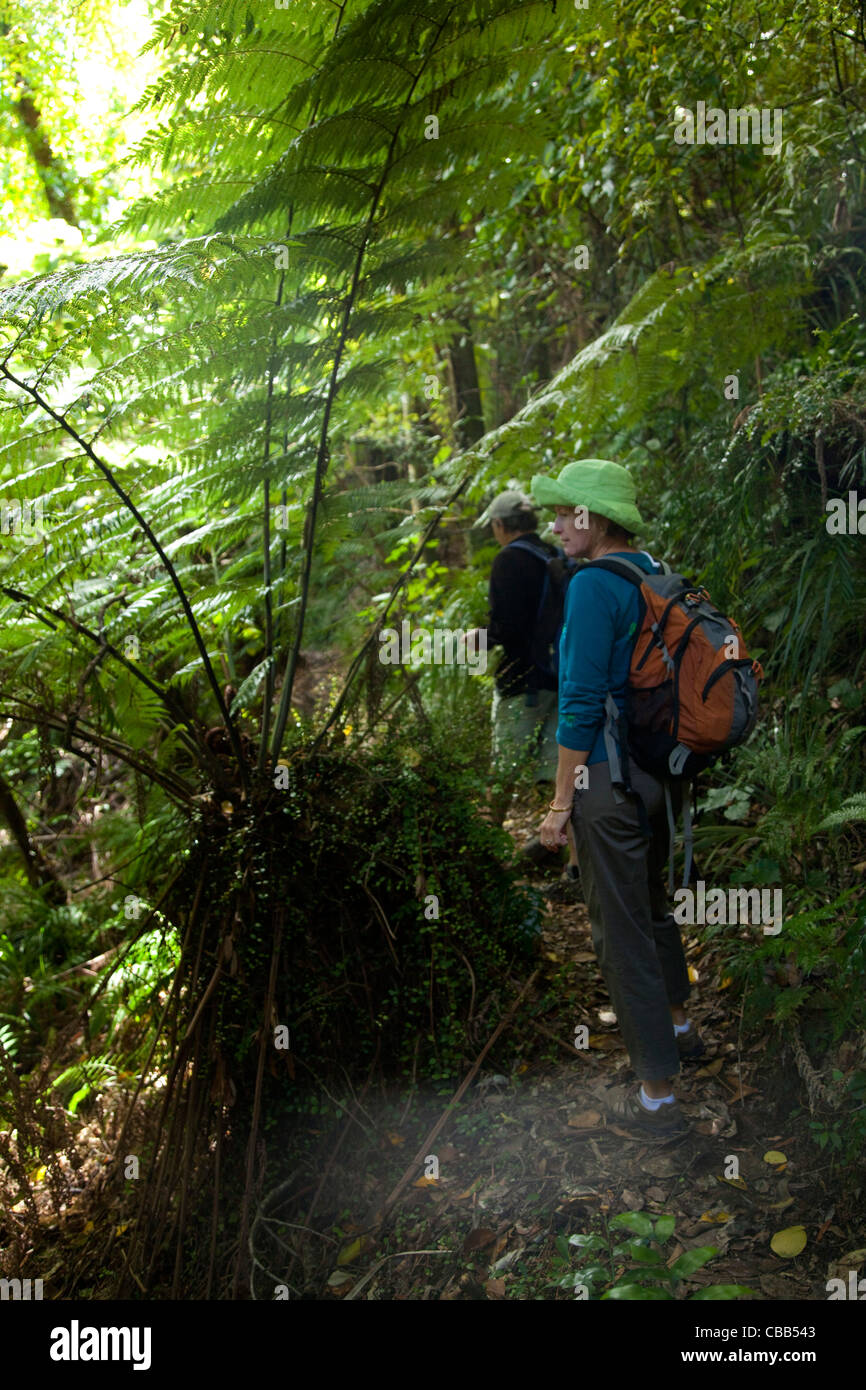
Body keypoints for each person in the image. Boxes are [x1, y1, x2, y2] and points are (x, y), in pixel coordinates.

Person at [531, 459, 705, 1136]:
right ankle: (682, 1025)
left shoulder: (592, 586)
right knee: (654, 908)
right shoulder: (648, 567)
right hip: (659, 772)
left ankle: (658, 1100)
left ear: (594, 517)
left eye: (565, 513)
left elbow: (577, 704)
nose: (555, 526)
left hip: (605, 776)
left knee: (620, 932)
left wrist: (558, 804)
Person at [471, 491, 579, 888]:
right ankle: (571, 864)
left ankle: (481, 856)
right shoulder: (552, 554)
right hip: (558, 679)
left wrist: (477, 638)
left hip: (520, 682)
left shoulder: (509, 560)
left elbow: (505, 628)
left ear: (500, 526)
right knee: (556, 776)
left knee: (503, 772)